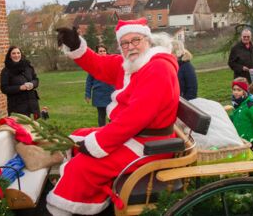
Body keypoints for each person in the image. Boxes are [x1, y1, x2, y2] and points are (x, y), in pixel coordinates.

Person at [48, 18, 179, 215]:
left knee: (82, 166)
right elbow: (98, 64)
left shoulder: (158, 68)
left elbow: (134, 119)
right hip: (135, 135)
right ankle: (92, 197)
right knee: (77, 136)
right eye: (124, 44)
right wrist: (76, 45)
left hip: (149, 144)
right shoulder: (131, 65)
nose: (130, 47)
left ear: (148, 40)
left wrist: (97, 143)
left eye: (135, 40)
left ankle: (62, 209)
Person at [0, 46, 40, 119]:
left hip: (32, 102)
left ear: (21, 54)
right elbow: (4, 88)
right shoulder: (6, 71)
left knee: (34, 127)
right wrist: (20, 87)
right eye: (13, 53)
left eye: (18, 53)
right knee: (20, 128)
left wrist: (32, 84)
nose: (16, 55)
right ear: (10, 56)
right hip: (17, 105)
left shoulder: (28, 67)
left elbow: (36, 80)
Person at [228, 77, 253, 155]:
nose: (235, 92)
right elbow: (236, 118)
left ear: (244, 91)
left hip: (250, 143)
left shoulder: (250, 105)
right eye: (234, 89)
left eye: (239, 90)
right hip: (240, 141)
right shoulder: (237, 104)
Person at [85, 44, 115, 126]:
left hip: (111, 93)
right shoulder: (93, 65)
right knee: (101, 116)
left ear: (107, 52)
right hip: (99, 94)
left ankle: (112, 132)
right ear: (97, 53)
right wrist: (87, 94)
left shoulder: (112, 63)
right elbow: (89, 81)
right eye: (100, 51)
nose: (102, 53)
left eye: (104, 51)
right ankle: (101, 132)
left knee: (112, 115)